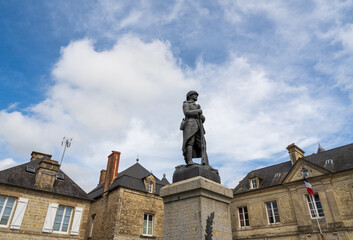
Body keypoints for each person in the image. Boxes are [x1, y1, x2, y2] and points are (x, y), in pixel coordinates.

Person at [181, 90, 209, 166]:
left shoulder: (197, 106)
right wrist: (198, 111)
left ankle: (206, 163)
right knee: (190, 142)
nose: (196, 96)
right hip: (190, 125)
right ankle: (189, 161)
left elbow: (202, 118)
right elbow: (186, 112)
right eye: (195, 95)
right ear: (190, 96)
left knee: (202, 144)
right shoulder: (186, 104)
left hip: (199, 126)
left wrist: (201, 115)